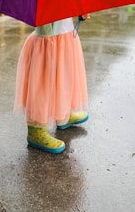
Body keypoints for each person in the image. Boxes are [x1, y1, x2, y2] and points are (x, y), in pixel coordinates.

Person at [14, 15, 89, 154]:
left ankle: (63, 113)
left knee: (65, 78)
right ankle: (36, 130)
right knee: (42, 85)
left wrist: (79, 11)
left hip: (65, 36)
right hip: (48, 38)